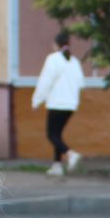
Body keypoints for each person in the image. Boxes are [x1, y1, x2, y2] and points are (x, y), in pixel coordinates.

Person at [31, 29, 84, 177]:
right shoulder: (74, 62)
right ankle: (57, 165)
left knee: (51, 134)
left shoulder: (53, 59)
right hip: (71, 104)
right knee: (57, 134)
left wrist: (36, 101)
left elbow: (45, 82)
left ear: (56, 44)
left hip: (56, 103)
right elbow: (80, 83)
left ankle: (70, 153)